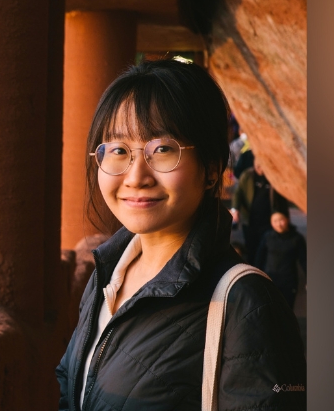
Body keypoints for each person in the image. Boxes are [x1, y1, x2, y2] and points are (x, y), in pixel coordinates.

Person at [56, 59, 305, 411]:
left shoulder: (248, 305)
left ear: (211, 169)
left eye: (162, 149)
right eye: (118, 150)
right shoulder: (107, 274)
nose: (135, 175)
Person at [231, 156, 289, 264]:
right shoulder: (247, 175)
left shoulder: (273, 177)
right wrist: (235, 209)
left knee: (266, 248)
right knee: (251, 247)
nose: (260, 169)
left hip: (268, 221)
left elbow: (281, 198)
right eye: (257, 166)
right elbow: (238, 194)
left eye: (262, 166)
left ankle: (264, 273)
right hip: (250, 220)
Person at [255, 210, 307, 309]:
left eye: (281, 220)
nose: (278, 224)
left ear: (287, 220)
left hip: (289, 281)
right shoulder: (268, 236)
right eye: (275, 221)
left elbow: (304, 260)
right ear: (271, 223)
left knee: (287, 309)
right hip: (270, 279)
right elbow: (259, 258)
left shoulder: (297, 238)